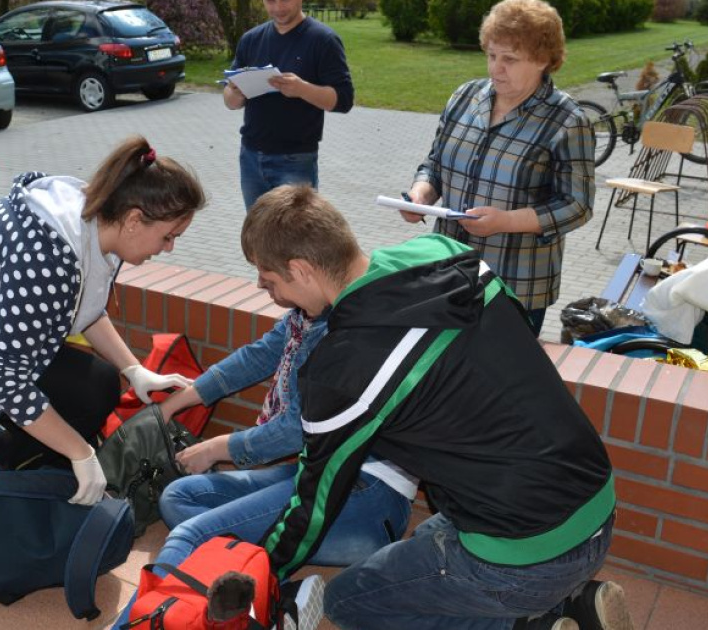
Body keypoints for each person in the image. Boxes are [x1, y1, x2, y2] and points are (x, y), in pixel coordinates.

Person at [244, 185, 632, 630]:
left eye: (269, 280)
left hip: (527, 554)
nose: (264, 289)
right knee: (432, 534)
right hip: (595, 504)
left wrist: (262, 574)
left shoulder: (340, 371)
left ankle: (533, 624)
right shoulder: (445, 252)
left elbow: (314, 505)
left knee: (350, 601)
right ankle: (574, 602)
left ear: (301, 269)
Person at [0, 136, 206, 511]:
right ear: (133, 220)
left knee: (99, 384)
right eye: (168, 236)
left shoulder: (89, 221)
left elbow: (87, 307)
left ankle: (6, 462)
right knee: (56, 422)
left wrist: (134, 369)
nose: (169, 247)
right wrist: (79, 453)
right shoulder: (46, 258)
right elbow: (4, 379)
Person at [109, 273, 415, 628]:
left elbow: (295, 430)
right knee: (179, 497)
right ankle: (270, 597)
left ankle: (142, 621)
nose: (258, 285)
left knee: (189, 534)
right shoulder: (306, 315)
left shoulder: (341, 331)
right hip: (320, 472)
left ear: (300, 269)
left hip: (365, 495)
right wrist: (173, 404)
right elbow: (255, 357)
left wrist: (216, 448)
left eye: (268, 278)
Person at [403, 0, 595, 337]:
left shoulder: (568, 121)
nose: (496, 69)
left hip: (514, 286)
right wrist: (421, 193)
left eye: (509, 59)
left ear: (543, 60)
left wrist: (505, 221)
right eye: (492, 55)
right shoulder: (466, 96)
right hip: (447, 271)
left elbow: (577, 205)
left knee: (498, 384)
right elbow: (435, 162)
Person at [224, 0, 353, 210]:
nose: (278, 8)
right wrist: (236, 93)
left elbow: (344, 100)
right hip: (250, 156)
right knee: (257, 236)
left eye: (285, 0)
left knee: (295, 238)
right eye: (271, 1)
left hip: (296, 160)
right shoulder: (251, 39)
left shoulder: (324, 40)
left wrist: (302, 89)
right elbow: (229, 100)